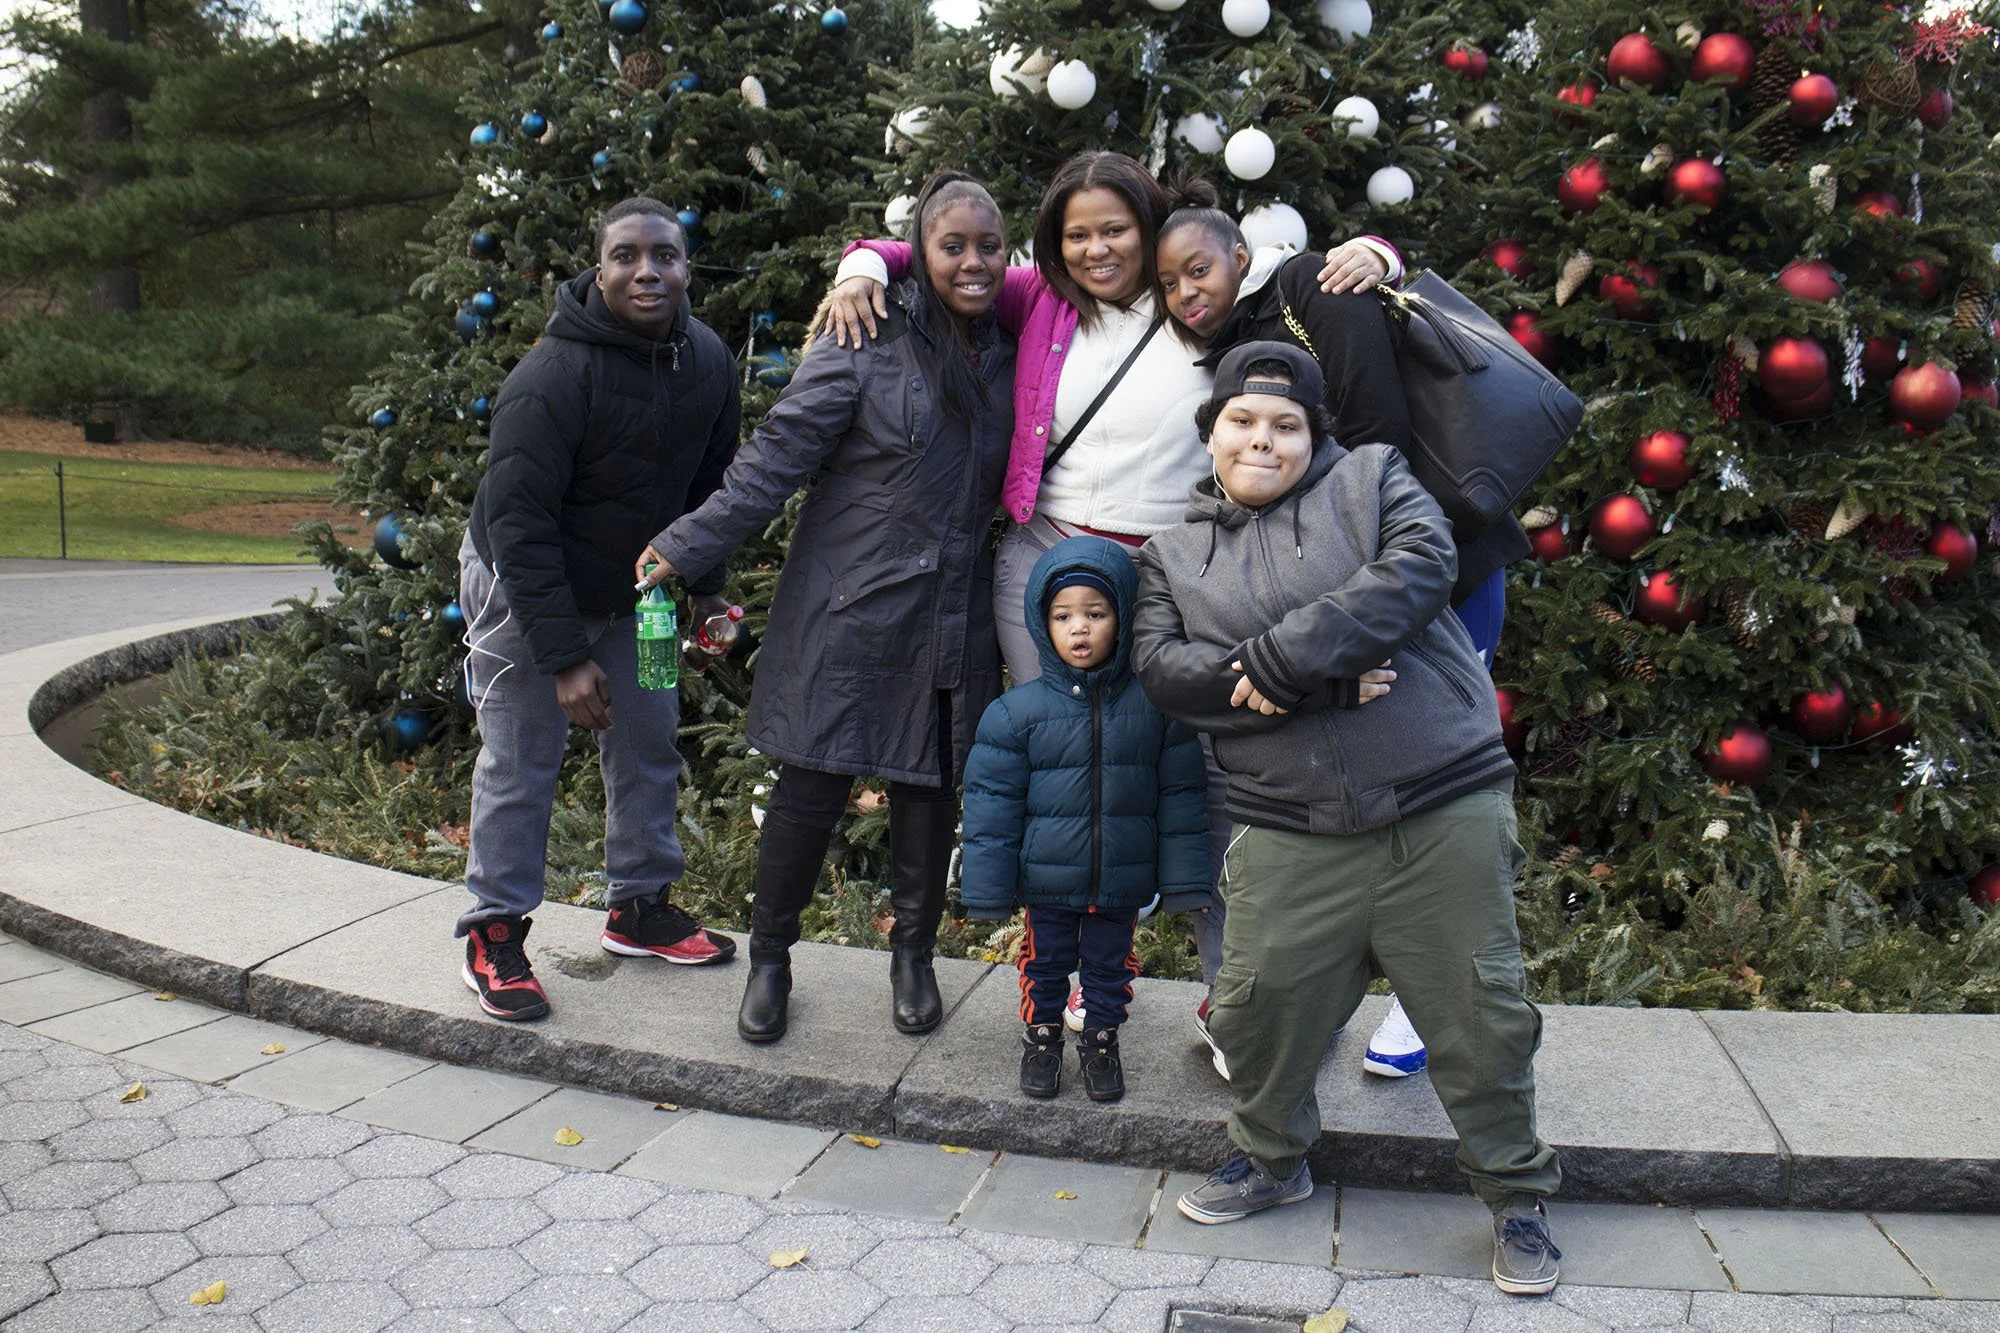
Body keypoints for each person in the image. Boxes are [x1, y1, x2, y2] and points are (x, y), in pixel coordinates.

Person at [824, 150, 1398, 1067]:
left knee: (1204, 775)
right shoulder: (1040, 302)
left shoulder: (1212, 306)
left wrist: (1379, 249)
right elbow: (939, 256)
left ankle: (1234, 997)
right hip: (1045, 565)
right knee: (1068, 773)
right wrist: (863, 260)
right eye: (1077, 233)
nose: (1097, 249)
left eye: (1115, 230)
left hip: (1170, 576)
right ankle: (1068, 992)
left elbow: (1323, 283)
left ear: (1151, 224)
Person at [1133, 342, 1562, 1296]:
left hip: (1437, 796)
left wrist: (1269, 665)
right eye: (1242, 419)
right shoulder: (1171, 556)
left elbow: (1419, 569)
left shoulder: (1374, 479)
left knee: (1479, 1018)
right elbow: (1166, 673)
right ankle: (1273, 1160)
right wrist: (1315, 679)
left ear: (1314, 436)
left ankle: (1517, 1196)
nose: (1263, 437)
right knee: (1252, 1011)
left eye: (1287, 423)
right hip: (1288, 819)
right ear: (1211, 433)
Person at [1153, 179, 1538, 1079]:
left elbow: (1376, 440)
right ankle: (1322, 994)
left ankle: (1421, 997)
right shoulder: (1236, 350)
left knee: (1442, 770)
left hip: (1442, 565)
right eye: (1169, 284)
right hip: (1357, 590)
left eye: (1199, 269)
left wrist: (1378, 254)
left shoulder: (1303, 291)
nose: (1186, 294)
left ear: (1241, 255)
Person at [640, 170, 1015, 1045]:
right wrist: (684, 545)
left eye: (988, 244)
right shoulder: (864, 334)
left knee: (929, 792)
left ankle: (913, 956)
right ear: (918, 251)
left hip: (952, 613)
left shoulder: (1010, 343)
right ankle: (771, 956)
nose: (971, 261)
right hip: (849, 607)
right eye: (951, 244)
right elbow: (773, 461)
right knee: (811, 787)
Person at [457, 197, 742, 1023]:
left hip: (643, 596)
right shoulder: (551, 375)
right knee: (522, 757)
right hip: (523, 589)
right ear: (598, 267)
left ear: (687, 267)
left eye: (665, 256)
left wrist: (707, 587)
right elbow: (519, 526)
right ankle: (494, 930)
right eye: (626, 256)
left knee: (650, 735)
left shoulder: (709, 361)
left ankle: (640, 906)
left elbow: (710, 492)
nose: (646, 271)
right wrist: (564, 657)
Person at [959, 537, 1210, 1103]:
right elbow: (991, 812)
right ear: (1040, 623)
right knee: (1043, 964)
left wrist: (1187, 881)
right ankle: (1042, 1037)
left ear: (1122, 618)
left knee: (1109, 967)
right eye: (1063, 616)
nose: (1079, 629)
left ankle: (1101, 1041)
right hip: (1046, 884)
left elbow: (1182, 801)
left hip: (1121, 881)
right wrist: (987, 891)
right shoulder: (1015, 714)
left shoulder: (1155, 709)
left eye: (1095, 614)